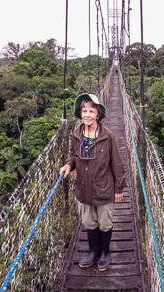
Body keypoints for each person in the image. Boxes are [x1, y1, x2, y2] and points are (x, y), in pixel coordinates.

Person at [58, 93, 127, 272]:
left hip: (104, 188)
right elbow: (74, 156)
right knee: (89, 222)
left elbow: (117, 163)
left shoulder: (108, 135)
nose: (87, 115)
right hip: (83, 188)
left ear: (98, 114)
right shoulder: (76, 134)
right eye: (84, 111)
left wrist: (118, 188)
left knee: (104, 223)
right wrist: (68, 165)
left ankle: (105, 252)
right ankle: (93, 251)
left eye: (91, 111)